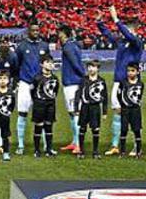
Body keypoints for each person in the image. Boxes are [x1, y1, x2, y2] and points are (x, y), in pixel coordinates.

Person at [97, 6, 143, 156]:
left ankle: (137, 145)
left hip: (132, 84)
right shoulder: (122, 42)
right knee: (117, 112)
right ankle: (116, 145)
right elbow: (108, 35)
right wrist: (99, 22)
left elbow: (128, 36)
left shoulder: (137, 42)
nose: (124, 34)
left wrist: (116, 19)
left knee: (132, 114)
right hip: (118, 81)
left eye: (128, 31)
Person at [13, 23, 49, 155]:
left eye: (37, 30)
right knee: (22, 114)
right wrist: (17, 80)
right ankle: (21, 145)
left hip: (40, 84)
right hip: (25, 83)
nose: (35, 32)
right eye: (33, 30)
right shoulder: (22, 46)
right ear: (28, 31)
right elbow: (16, 65)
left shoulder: (44, 46)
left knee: (43, 115)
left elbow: (47, 63)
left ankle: (46, 145)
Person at [56, 25, 85, 153]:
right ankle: (74, 142)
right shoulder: (73, 45)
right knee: (72, 114)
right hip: (72, 82)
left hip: (72, 83)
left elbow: (75, 64)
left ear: (65, 34)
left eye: (60, 33)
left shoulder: (68, 47)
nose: (58, 35)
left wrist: (83, 76)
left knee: (75, 113)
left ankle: (78, 144)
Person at [74, 60, 108, 159]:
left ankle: (95, 151)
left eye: (93, 66)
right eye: (89, 66)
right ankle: (81, 151)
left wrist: (104, 111)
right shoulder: (83, 80)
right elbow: (78, 94)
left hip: (95, 108)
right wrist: (76, 108)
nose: (90, 69)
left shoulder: (101, 81)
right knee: (82, 129)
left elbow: (105, 96)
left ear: (97, 68)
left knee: (95, 129)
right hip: (85, 107)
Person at [30, 56, 59, 158]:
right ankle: (37, 150)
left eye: (52, 62)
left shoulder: (55, 78)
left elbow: (56, 91)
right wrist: (38, 100)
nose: (51, 64)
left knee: (49, 127)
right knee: (38, 126)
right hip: (39, 104)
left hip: (51, 104)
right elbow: (32, 91)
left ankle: (49, 149)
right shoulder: (37, 78)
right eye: (48, 62)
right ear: (41, 64)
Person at [116, 62, 146, 158]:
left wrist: (136, 103)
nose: (130, 73)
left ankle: (138, 151)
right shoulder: (123, 82)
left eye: (132, 71)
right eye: (128, 71)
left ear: (137, 72)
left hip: (135, 110)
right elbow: (119, 94)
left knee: (136, 130)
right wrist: (122, 105)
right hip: (125, 110)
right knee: (124, 130)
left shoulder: (140, 84)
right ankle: (122, 151)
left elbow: (139, 96)